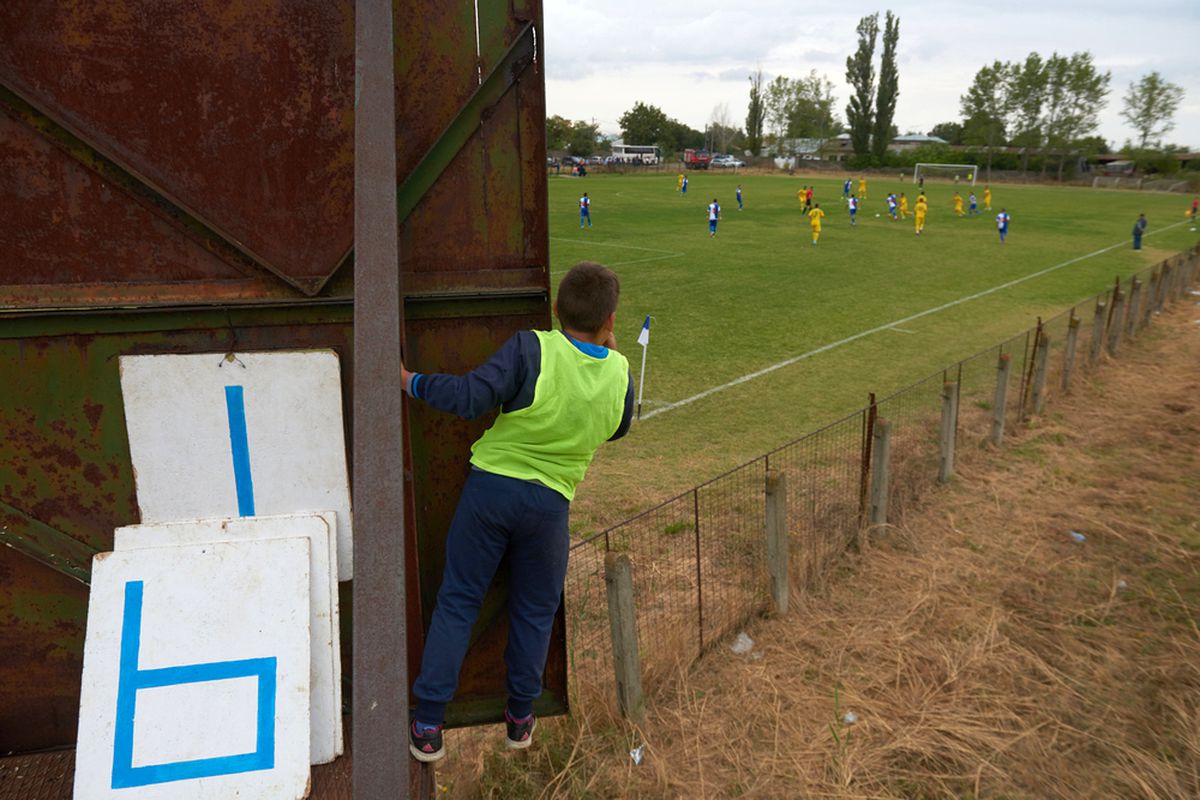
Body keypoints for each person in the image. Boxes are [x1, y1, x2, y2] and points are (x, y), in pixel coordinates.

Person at [403, 261, 634, 763]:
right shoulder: (620, 372)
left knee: (460, 601)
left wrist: (410, 381)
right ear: (610, 319)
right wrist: (606, 362)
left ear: (555, 308)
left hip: (491, 493)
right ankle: (520, 720)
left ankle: (427, 726)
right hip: (550, 508)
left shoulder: (533, 347)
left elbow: (468, 399)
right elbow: (618, 428)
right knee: (534, 612)